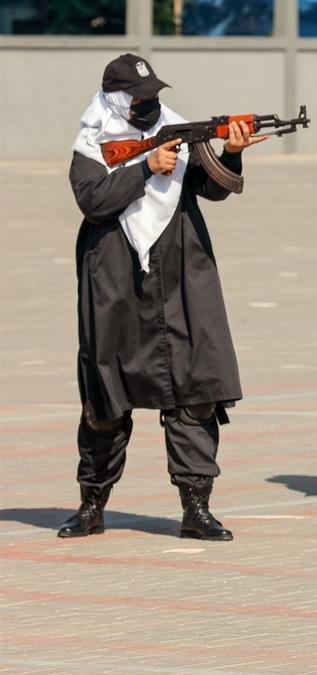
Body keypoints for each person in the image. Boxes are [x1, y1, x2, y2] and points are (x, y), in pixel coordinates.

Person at [60, 53, 267, 541]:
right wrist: (145, 167)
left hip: (181, 273)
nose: (149, 104)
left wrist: (232, 151)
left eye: (154, 95)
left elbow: (208, 188)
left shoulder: (178, 129)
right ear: (115, 99)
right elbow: (93, 200)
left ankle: (196, 508)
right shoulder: (93, 141)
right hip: (114, 276)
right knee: (104, 398)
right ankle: (92, 504)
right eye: (138, 98)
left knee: (196, 390)